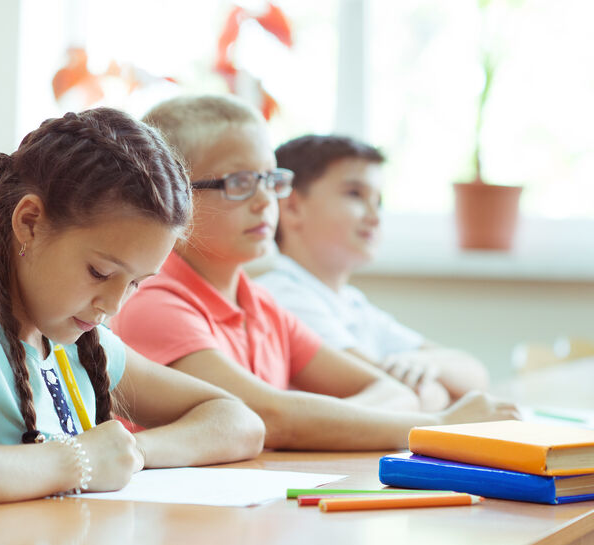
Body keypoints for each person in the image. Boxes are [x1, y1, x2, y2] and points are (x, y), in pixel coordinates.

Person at [0, 108, 265, 518]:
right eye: (100, 272)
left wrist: (130, 452)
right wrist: (78, 460)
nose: (113, 305)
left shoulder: (81, 347)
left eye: (135, 283)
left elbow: (238, 421)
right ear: (29, 222)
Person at [113, 95, 517, 451]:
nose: (264, 200)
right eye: (239, 182)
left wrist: (316, 423)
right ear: (170, 193)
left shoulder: (262, 305)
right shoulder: (155, 300)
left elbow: (393, 392)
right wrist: (440, 427)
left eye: (270, 180)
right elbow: (269, 417)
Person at [256, 135, 489, 411]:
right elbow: (399, 397)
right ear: (292, 207)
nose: (375, 217)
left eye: (378, 202)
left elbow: (475, 375)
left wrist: (429, 364)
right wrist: (439, 392)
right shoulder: (280, 294)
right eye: (355, 194)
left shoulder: (352, 304)